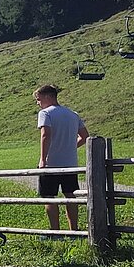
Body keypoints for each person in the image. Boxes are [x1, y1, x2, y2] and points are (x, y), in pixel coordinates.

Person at [33, 84, 89, 231]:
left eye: (38, 99)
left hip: (51, 163)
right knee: (70, 196)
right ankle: (74, 229)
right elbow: (85, 136)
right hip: (70, 163)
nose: (38, 103)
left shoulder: (45, 113)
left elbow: (45, 135)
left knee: (49, 197)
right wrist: (70, 146)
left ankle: (55, 230)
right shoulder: (73, 114)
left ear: (47, 97)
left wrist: (43, 159)